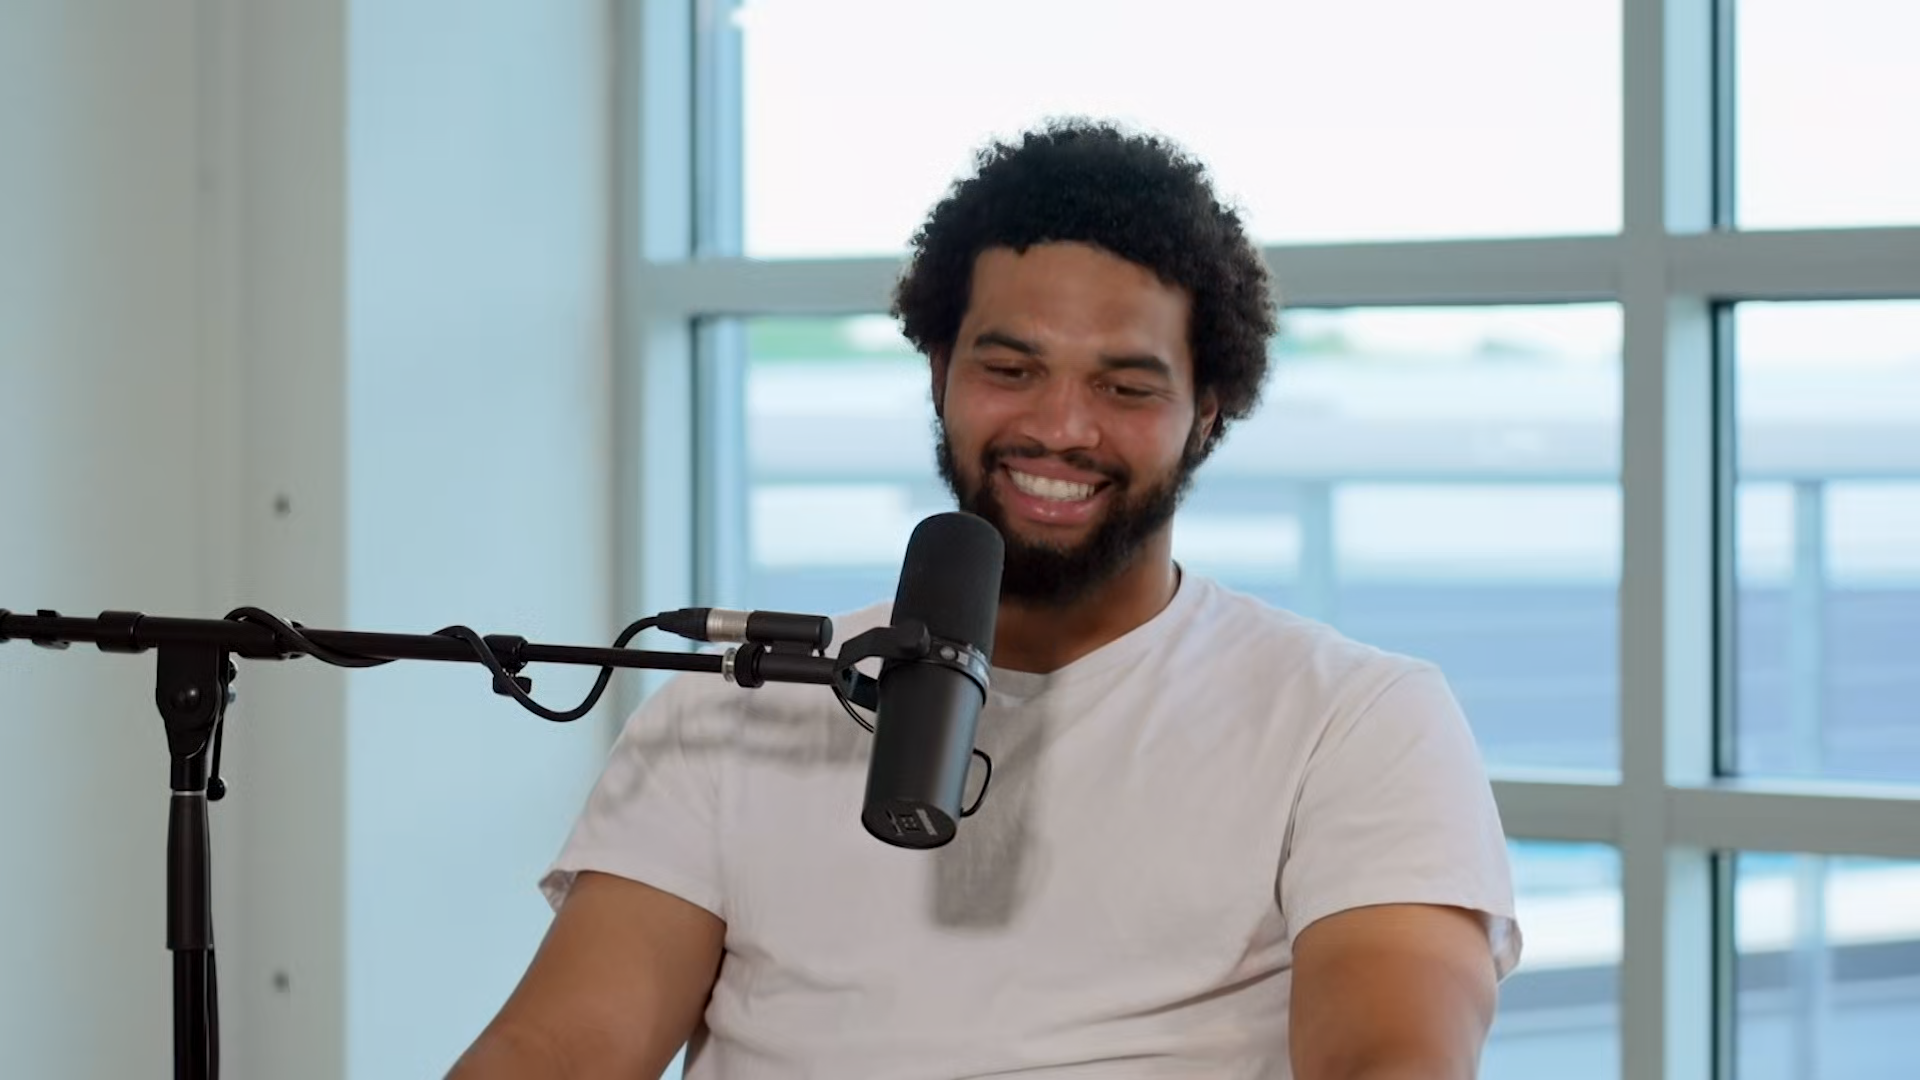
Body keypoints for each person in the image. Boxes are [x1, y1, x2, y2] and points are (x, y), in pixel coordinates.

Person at [451, 119, 1521, 1080]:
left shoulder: (1354, 718)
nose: (1060, 427)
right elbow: (560, 1050)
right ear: (939, 372)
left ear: (1209, 411)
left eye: (1125, 387)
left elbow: (1391, 1057)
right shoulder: (741, 704)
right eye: (1011, 370)